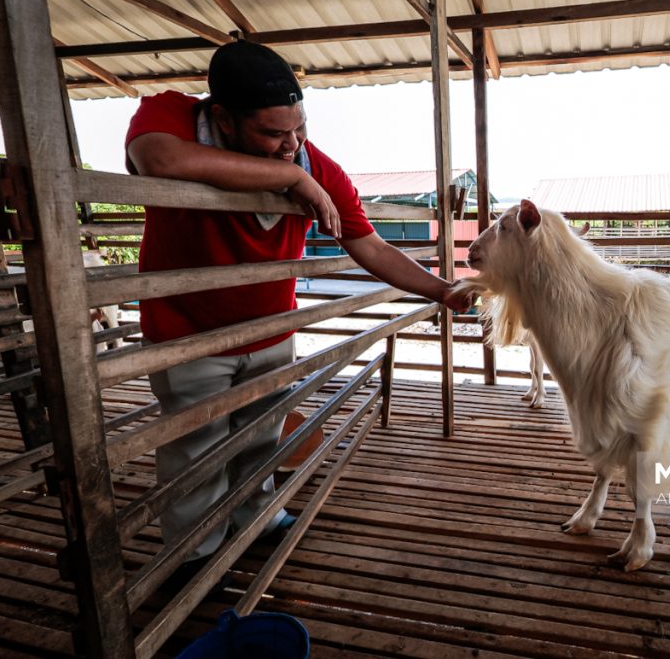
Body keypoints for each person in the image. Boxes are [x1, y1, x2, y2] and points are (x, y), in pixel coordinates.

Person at [125, 40, 469, 586]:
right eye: (273, 133)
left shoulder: (316, 166)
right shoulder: (169, 115)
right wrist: (291, 180)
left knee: (262, 433)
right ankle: (195, 554)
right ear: (223, 118)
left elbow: (372, 247)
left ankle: (256, 516)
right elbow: (161, 160)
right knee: (198, 449)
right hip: (187, 333)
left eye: (299, 129)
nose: (292, 145)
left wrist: (442, 290)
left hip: (270, 330)